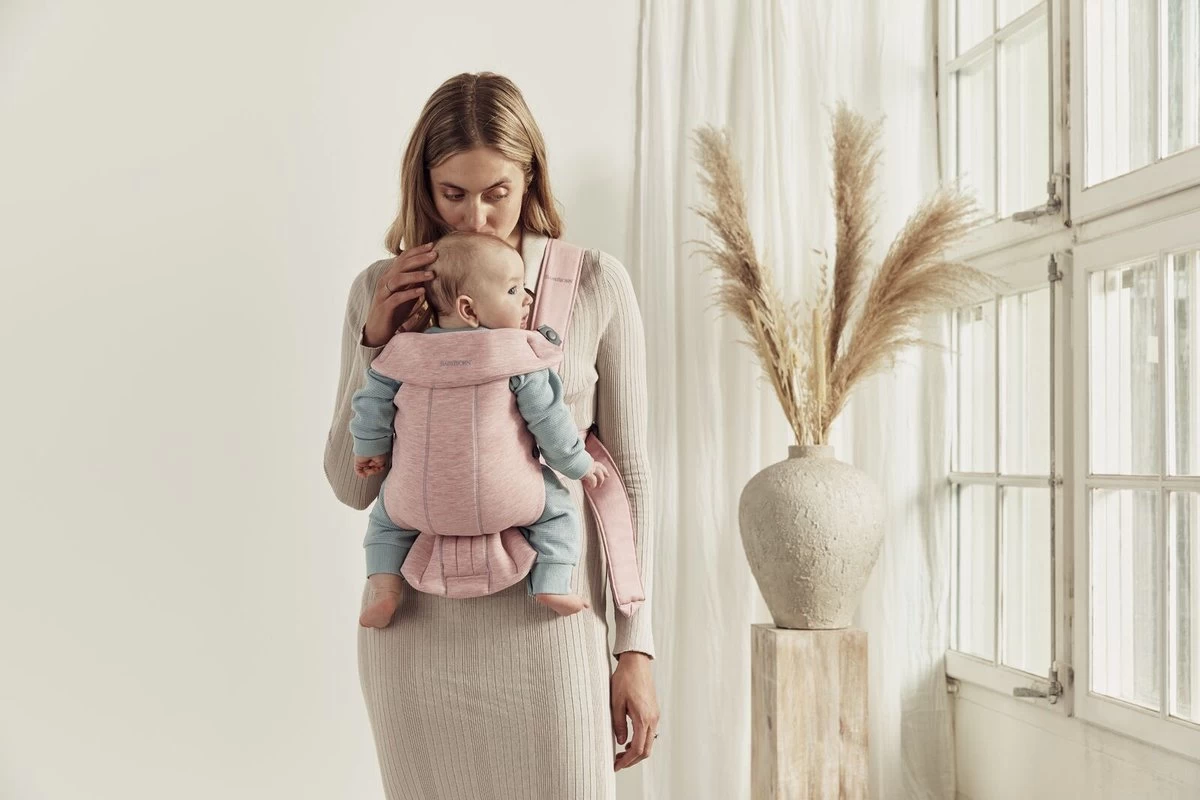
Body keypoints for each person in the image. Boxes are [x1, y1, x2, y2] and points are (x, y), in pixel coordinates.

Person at [323, 71, 659, 798]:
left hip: (552, 631)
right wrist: (374, 343)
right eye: (453, 193)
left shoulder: (595, 283)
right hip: (414, 636)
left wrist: (636, 647)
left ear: (531, 177)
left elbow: (627, 479)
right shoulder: (380, 290)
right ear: (423, 185)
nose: (475, 217)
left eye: (496, 192)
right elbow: (352, 487)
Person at [350, 231, 607, 627]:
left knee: (385, 522)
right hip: (505, 499)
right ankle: (552, 582)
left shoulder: (402, 354)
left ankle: (385, 589)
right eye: (513, 289)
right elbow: (550, 424)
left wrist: (370, 450)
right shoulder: (518, 355)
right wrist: (580, 465)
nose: (527, 298)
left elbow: (370, 404)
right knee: (558, 512)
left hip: (419, 502)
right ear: (468, 309)